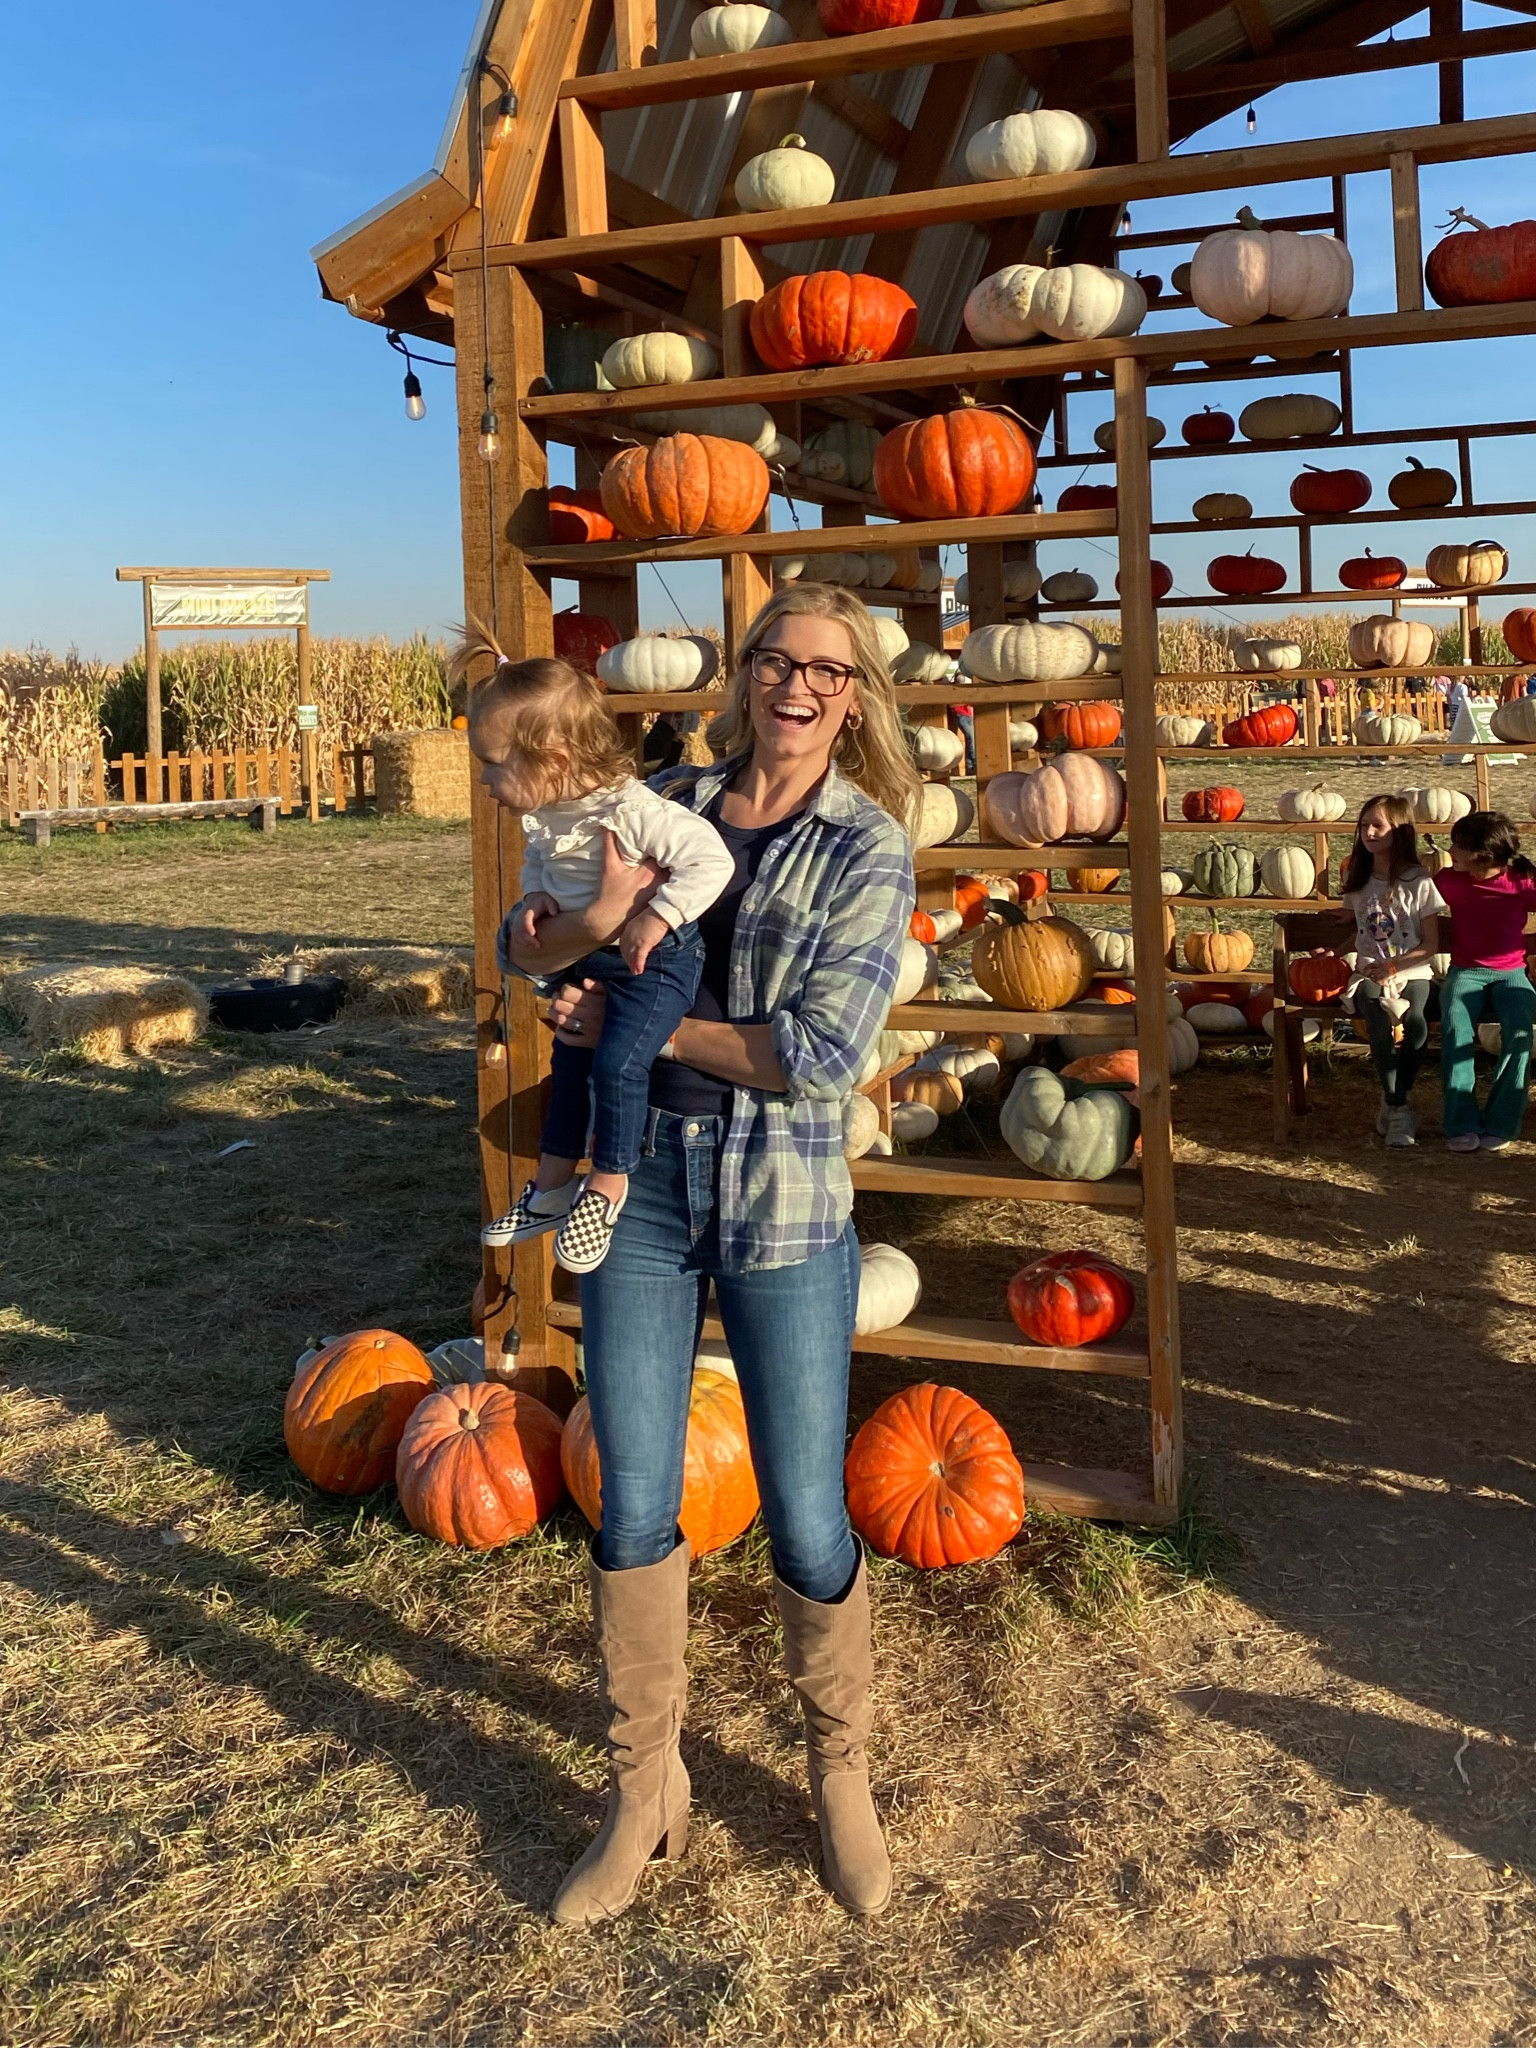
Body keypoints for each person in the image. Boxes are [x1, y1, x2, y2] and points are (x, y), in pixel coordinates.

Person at [498, 584, 919, 1926]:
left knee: (804, 1507)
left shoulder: (866, 845)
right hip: (642, 1200)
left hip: (783, 1205)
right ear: (741, 675)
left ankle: (838, 1775)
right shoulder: (654, 798)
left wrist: (640, 1025)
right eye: (776, 661)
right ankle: (644, 1794)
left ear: (855, 701)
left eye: (829, 674)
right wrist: (568, 965)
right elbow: (546, 943)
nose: (798, 688)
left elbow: (817, 1057)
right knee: (629, 1498)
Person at [463, 650, 734, 1273]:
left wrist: (656, 915)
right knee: (570, 1064)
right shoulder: (551, 813)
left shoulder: (636, 813)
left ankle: (608, 1186)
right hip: (596, 957)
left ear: (554, 762)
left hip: (656, 960)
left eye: (493, 766)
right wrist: (537, 895)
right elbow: (545, 865)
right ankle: (553, 1188)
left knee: (617, 1063)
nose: (485, 781)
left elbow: (710, 863)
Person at [1339, 795, 1446, 1147]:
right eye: (1364, 824)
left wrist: (1395, 966)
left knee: (1416, 1022)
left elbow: (1429, 945)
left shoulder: (1418, 881)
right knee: (1378, 1021)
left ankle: (1395, 1100)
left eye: (1378, 825)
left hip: (1412, 971)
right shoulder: (1357, 878)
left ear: (1399, 832)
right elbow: (1357, 929)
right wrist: (1334, 947)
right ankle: (1399, 1108)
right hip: (1369, 972)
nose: (1368, 831)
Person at [1435, 810, 1536, 1151]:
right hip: (1466, 971)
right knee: (1453, 1029)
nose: (1450, 850)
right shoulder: (1448, 881)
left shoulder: (1520, 880)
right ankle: (1461, 1122)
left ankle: (1503, 1121)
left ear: (1483, 854)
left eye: (1458, 845)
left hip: (1512, 974)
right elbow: (1407, 907)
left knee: (1519, 1033)